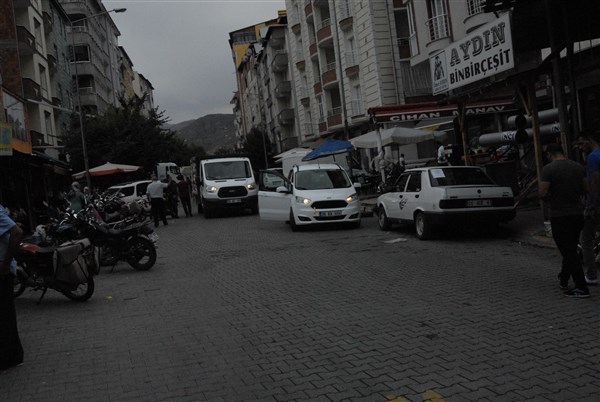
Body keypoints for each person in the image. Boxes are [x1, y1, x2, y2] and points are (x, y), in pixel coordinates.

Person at [539, 143, 590, 298]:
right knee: (571, 247)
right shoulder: (578, 167)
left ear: (549, 154)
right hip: (577, 214)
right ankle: (564, 278)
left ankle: (581, 287)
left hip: (560, 215)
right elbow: (586, 189)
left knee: (568, 252)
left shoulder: (548, 169)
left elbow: (542, 193)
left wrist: (553, 197)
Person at [0, 203, 24, 370]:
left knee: (5, 315)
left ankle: (9, 357)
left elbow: (17, 232)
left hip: (3, 271)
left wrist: (5, 264)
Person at [577, 132, 600, 286]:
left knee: (586, 239)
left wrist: (591, 204)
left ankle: (591, 275)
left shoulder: (592, 157)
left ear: (589, 140)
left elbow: (595, 181)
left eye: (581, 143)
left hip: (596, 205)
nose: (580, 148)